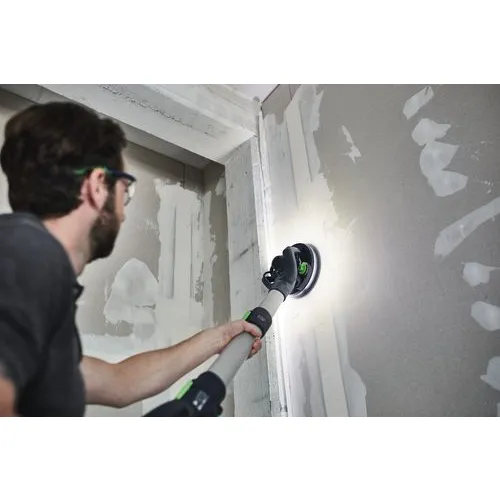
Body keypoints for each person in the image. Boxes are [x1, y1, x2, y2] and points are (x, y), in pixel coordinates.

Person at [0, 101, 262, 417]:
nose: (123, 214)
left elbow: (119, 383)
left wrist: (218, 339)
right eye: (125, 192)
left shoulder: (27, 270)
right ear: (98, 186)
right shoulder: (26, 252)